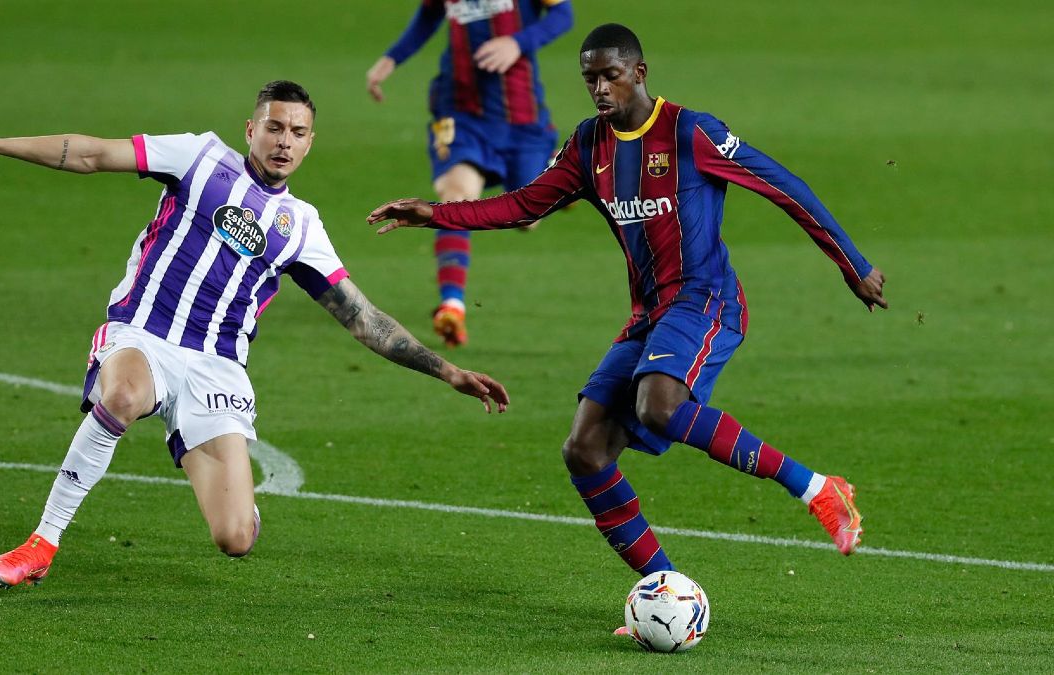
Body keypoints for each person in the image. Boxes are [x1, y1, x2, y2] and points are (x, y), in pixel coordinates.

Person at [0, 80, 510, 589]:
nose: (284, 142)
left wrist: (448, 371)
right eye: (274, 128)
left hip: (216, 369)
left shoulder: (302, 226)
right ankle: (42, 544)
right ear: (250, 128)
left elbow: (363, 318)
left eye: (298, 133)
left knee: (234, 539)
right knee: (120, 396)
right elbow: (93, 154)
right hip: (142, 334)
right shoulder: (199, 158)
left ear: (310, 142)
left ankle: (238, 499)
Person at [369, 24, 886, 585]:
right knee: (584, 450)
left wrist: (851, 264)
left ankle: (817, 488)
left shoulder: (691, 132)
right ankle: (665, 588)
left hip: (705, 299)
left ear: (638, 72)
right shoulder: (589, 145)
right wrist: (435, 212)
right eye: (589, 78)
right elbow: (522, 207)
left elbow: (783, 186)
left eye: (610, 75)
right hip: (649, 314)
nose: (599, 88)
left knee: (657, 406)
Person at [366, 0, 573, 347]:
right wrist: (392, 58)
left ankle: (557, 166)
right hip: (459, 109)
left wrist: (517, 42)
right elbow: (430, 13)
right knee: (457, 196)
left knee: (526, 219)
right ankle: (451, 305)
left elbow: (563, 14)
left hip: (519, 114)